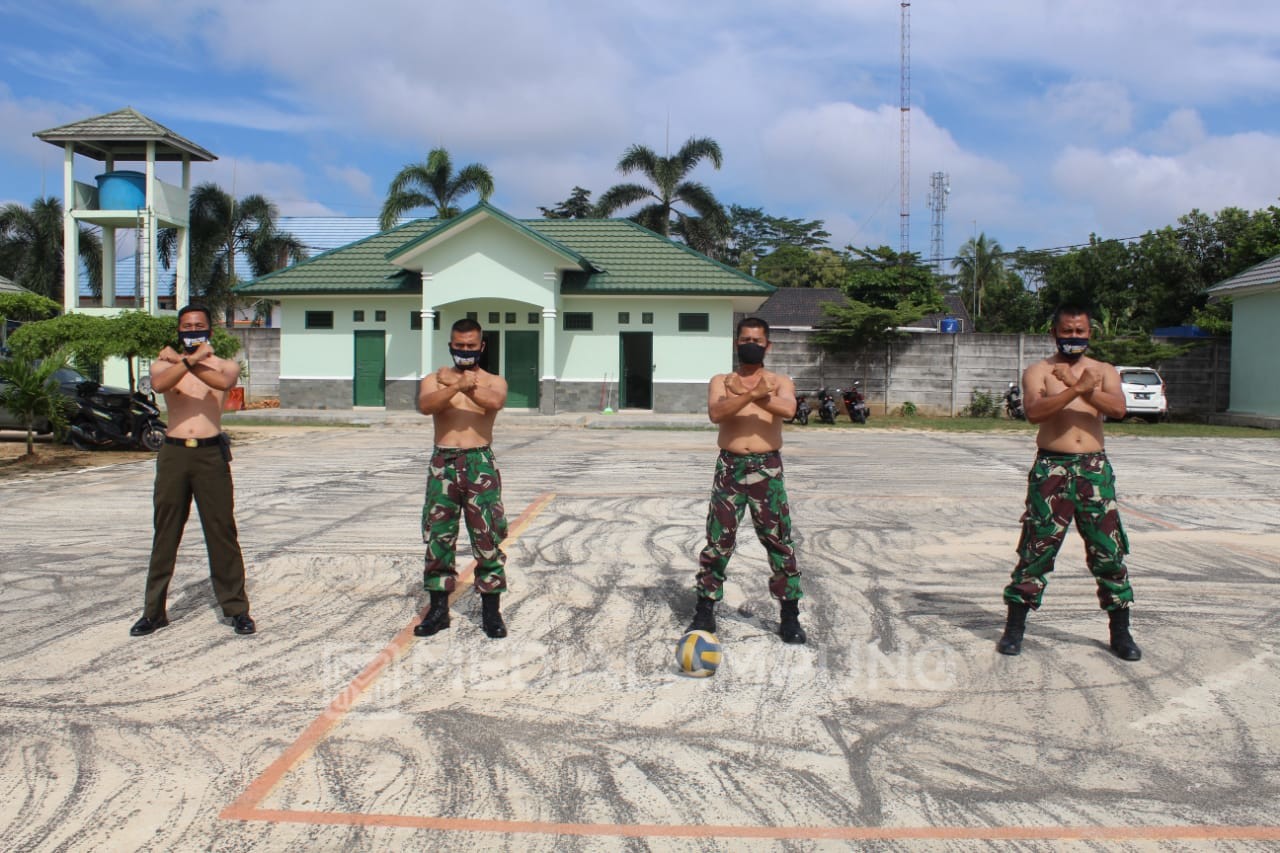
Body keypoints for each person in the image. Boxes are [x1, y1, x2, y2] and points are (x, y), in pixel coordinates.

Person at [997, 304, 1141, 661]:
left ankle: (1120, 633)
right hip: (1052, 468)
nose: (1074, 337)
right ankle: (1014, 630)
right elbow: (1035, 412)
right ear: (1054, 332)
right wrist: (1076, 388)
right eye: (1067, 331)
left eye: (1080, 331)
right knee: (1037, 548)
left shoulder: (1103, 370)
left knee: (1108, 551)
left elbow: (1118, 409)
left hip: (1094, 469)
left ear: (1090, 333)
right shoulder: (1040, 371)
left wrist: (1081, 388)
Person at [130, 304, 254, 637]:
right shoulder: (164, 365)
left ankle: (236, 609)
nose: (192, 329)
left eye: (199, 325)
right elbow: (158, 384)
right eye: (186, 325)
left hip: (210, 455)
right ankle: (153, 611)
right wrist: (186, 360)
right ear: (179, 329)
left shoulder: (224, 364)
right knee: (166, 532)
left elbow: (222, 380)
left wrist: (189, 360)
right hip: (173, 455)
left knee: (221, 532)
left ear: (210, 330)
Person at [688, 317, 807, 644]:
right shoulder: (721, 381)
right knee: (718, 540)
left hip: (767, 469)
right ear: (736, 344)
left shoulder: (780, 381)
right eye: (744, 340)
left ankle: (790, 614)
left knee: (778, 540)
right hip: (730, 467)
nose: (750, 344)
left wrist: (749, 394)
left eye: (756, 340)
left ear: (767, 346)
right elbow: (717, 412)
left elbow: (788, 409)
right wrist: (753, 393)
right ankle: (704, 609)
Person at [414, 318, 510, 639]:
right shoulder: (435, 379)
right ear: (451, 345)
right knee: (438, 537)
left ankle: (491, 611)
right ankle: (438, 610)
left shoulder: (494, 381)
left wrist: (466, 384)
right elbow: (426, 405)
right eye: (459, 345)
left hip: (478, 461)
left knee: (487, 538)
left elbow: (493, 402)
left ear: (482, 347)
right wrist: (456, 385)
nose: (465, 351)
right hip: (443, 463)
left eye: (471, 346)